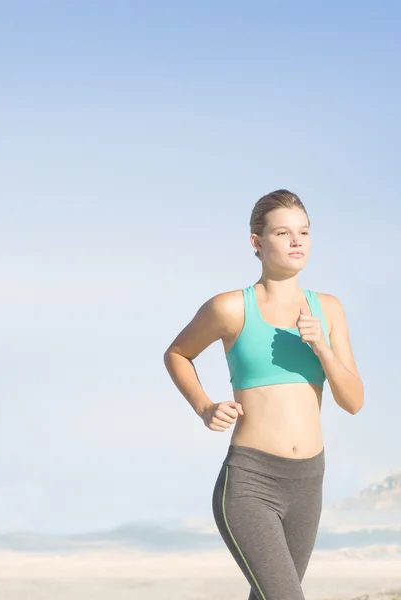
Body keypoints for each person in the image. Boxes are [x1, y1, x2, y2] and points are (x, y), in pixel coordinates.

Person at [163, 189, 364, 600]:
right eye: (283, 232)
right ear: (257, 242)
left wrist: (322, 348)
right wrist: (205, 406)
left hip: (308, 480)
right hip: (251, 481)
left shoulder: (328, 309)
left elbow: (353, 401)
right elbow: (178, 353)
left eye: (304, 232)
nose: (296, 242)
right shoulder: (230, 308)